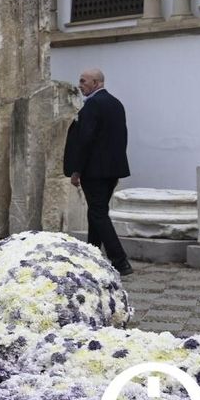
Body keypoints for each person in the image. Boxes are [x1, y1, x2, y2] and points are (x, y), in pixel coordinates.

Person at [64, 68, 132, 276]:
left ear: (96, 83)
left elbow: (85, 140)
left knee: (98, 213)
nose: (80, 85)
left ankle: (120, 261)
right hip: (111, 170)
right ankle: (91, 254)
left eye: (83, 81)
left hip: (94, 171)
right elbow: (121, 137)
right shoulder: (116, 103)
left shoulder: (93, 105)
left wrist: (76, 170)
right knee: (96, 211)